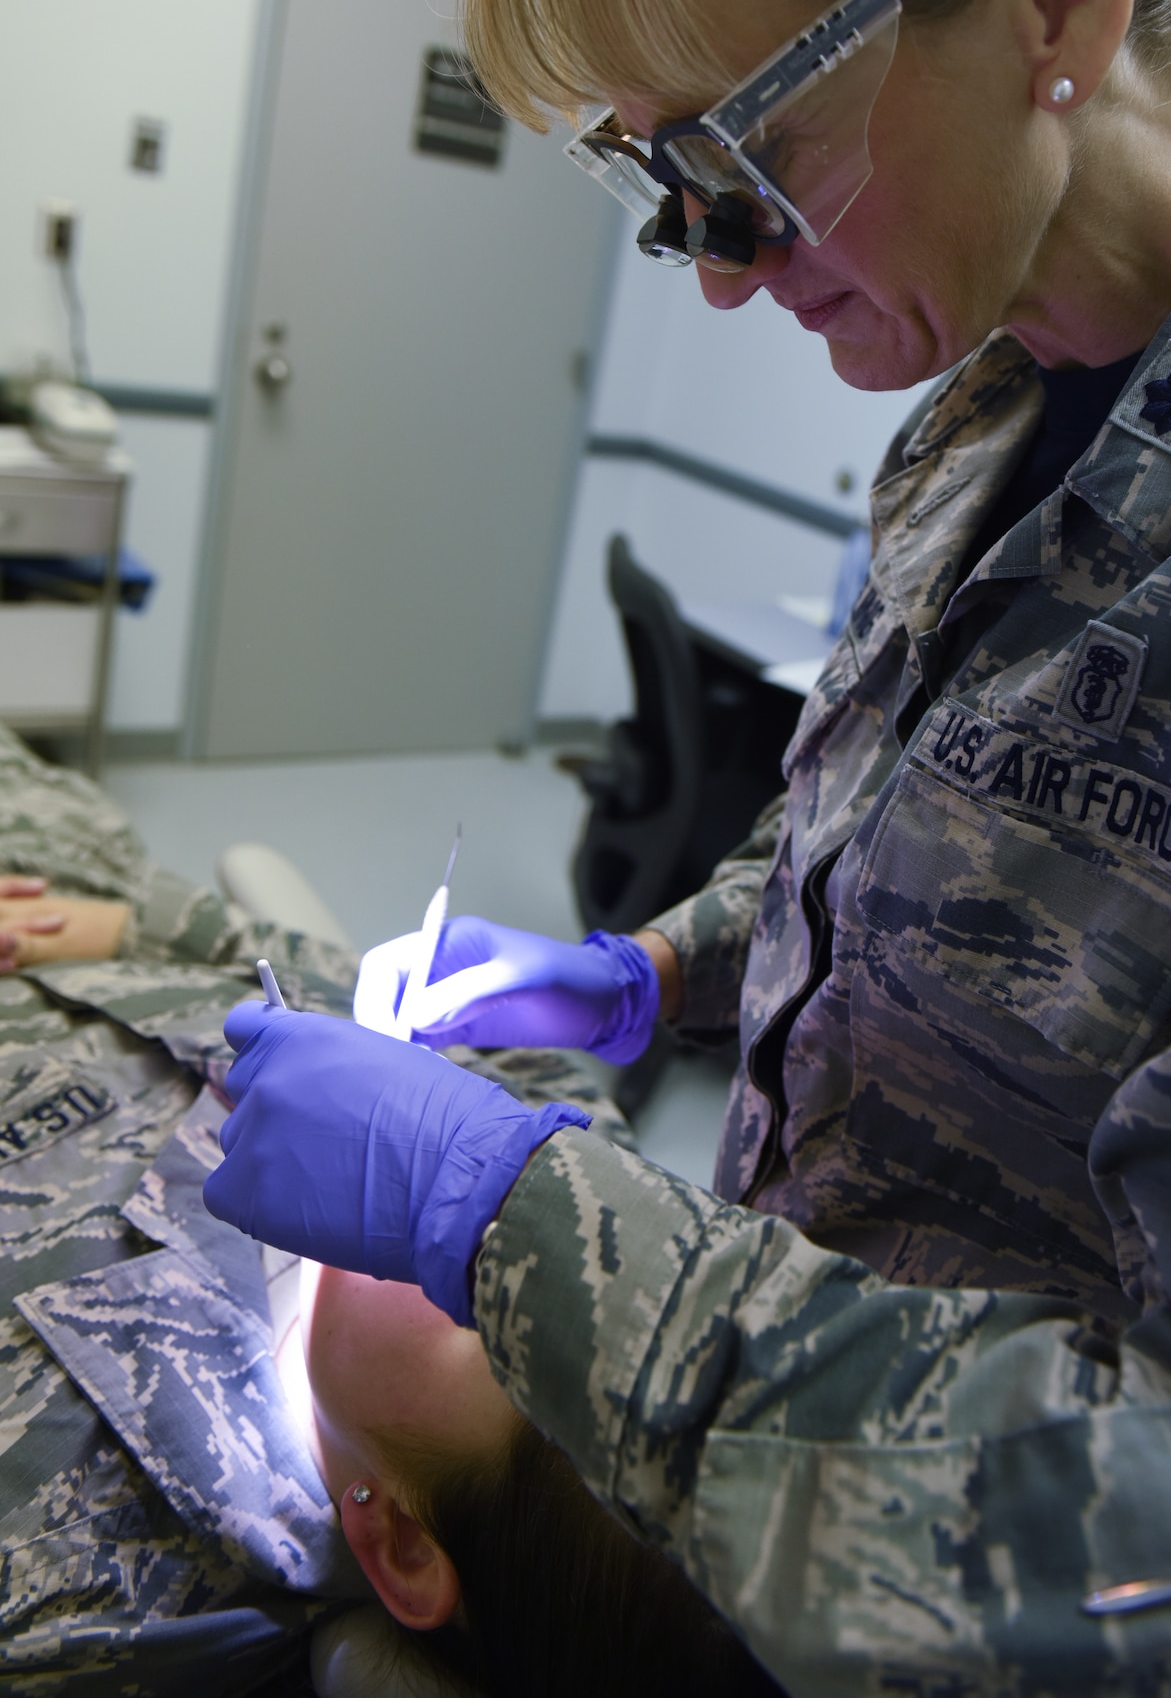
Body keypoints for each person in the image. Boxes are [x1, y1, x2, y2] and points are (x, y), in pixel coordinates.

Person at [204, 0, 1171, 1688]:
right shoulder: (986, 394)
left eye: (736, 156)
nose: (717, 273)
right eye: (664, 190)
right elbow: (955, 850)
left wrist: (497, 1206)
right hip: (779, 1525)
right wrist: (662, 973)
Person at [0, 720, 780, 1696]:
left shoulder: (68, 1550)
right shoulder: (593, 1179)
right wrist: (127, 923)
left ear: (399, 1538)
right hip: (75, 878)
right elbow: (309, 963)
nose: (534, 1205)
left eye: (489, 1289)